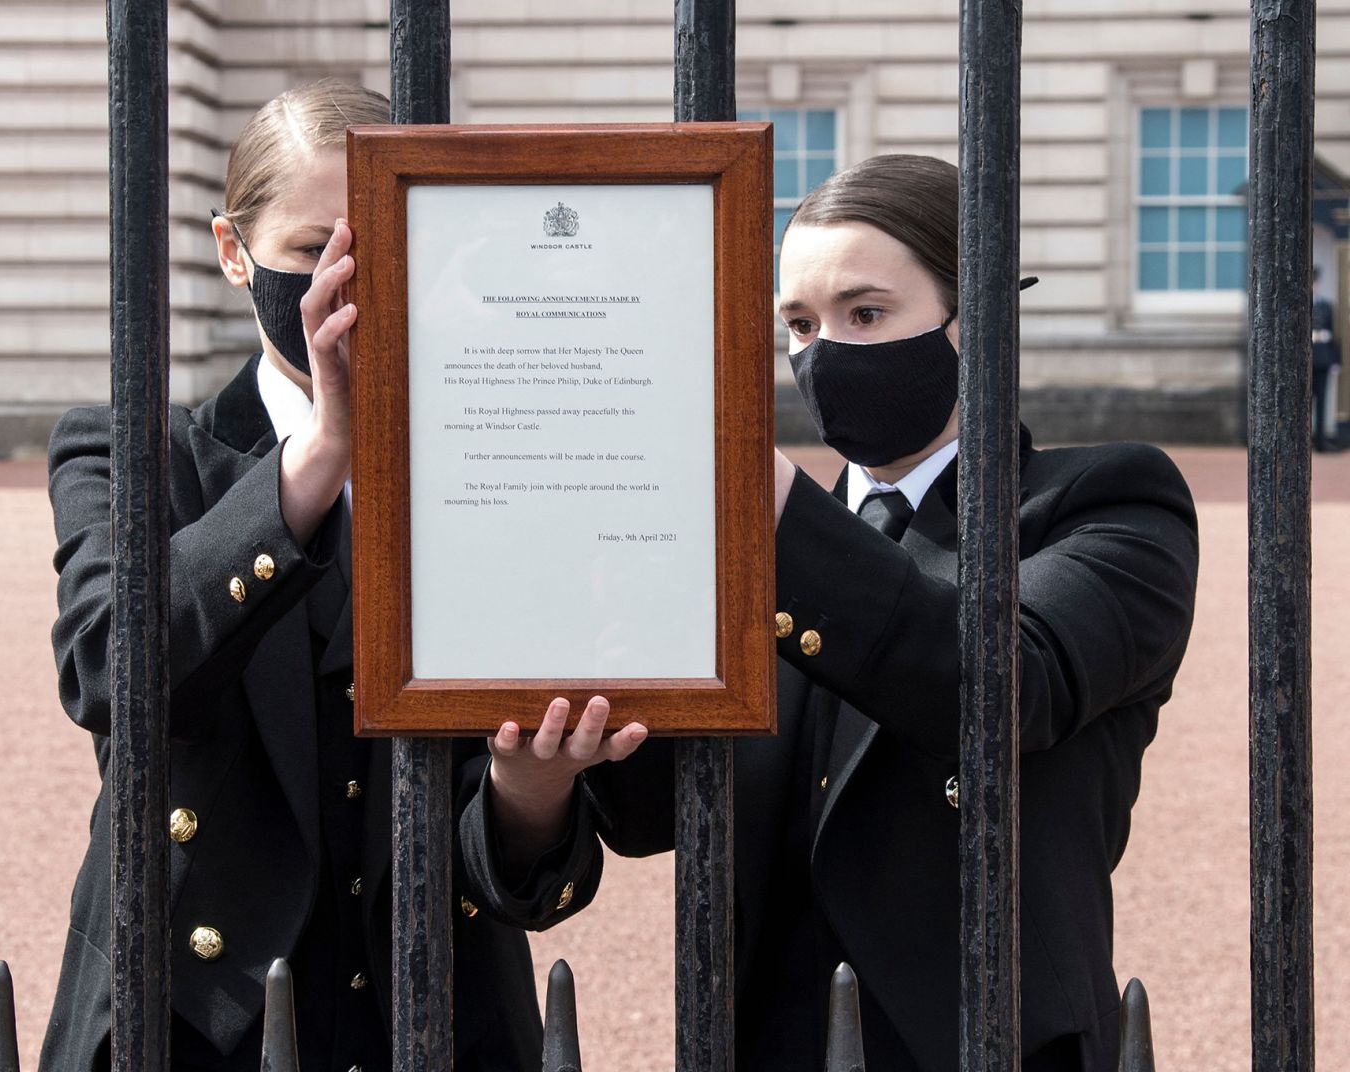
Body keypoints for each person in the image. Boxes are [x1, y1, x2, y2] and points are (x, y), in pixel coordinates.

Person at [462, 155, 1200, 1072]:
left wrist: (749, 473)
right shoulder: (733, 540)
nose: (823, 353)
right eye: (800, 324)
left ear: (977, 323)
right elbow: (647, 808)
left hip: (986, 1041)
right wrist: (537, 787)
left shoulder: (1108, 501)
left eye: (866, 313)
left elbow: (1006, 688)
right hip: (768, 1039)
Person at [39, 80, 549, 1071]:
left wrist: (532, 794)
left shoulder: (504, 451)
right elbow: (108, 674)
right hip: (191, 1014)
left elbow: (581, 816)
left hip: (435, 1012)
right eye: (313, 250)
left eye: (381, 245)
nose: (346, 282)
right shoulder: (128, 453)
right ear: (234, 253)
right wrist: (317, 459)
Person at [1312, 265, 1341, 452]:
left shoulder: (1326, 306)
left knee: (1322, 402)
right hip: (1309, 358)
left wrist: (1336, 361)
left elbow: (1335, 334)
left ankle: (1321, 441)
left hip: (1323, 358)